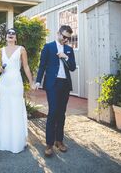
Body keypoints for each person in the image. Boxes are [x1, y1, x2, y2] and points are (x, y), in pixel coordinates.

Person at [35, 25, 76, 157]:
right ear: (58, 33)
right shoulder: (48, 47)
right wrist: (37, 81)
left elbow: (73, 68)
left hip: (65, 84)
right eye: (63, 37)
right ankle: (49, 144)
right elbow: (42, 65)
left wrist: (66, 57)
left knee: (61, 113)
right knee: (53, 112)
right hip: (52, 84)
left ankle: (59, 141)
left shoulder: (69, 50)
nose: (65, 40)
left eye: (68, 38)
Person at [0, 28, 35, 153]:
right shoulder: (1, 50)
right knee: (4, 111)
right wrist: (0, 69)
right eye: (9, 33)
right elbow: (1, 67)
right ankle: (5, 141)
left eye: (13, 33)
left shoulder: (21, 49)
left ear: (16, 37)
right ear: (6, 37)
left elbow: (26, 67)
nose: (11, 35)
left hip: (16, 83)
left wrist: (31, 82)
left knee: (16, 109)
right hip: (4, 83)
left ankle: (17, 143)